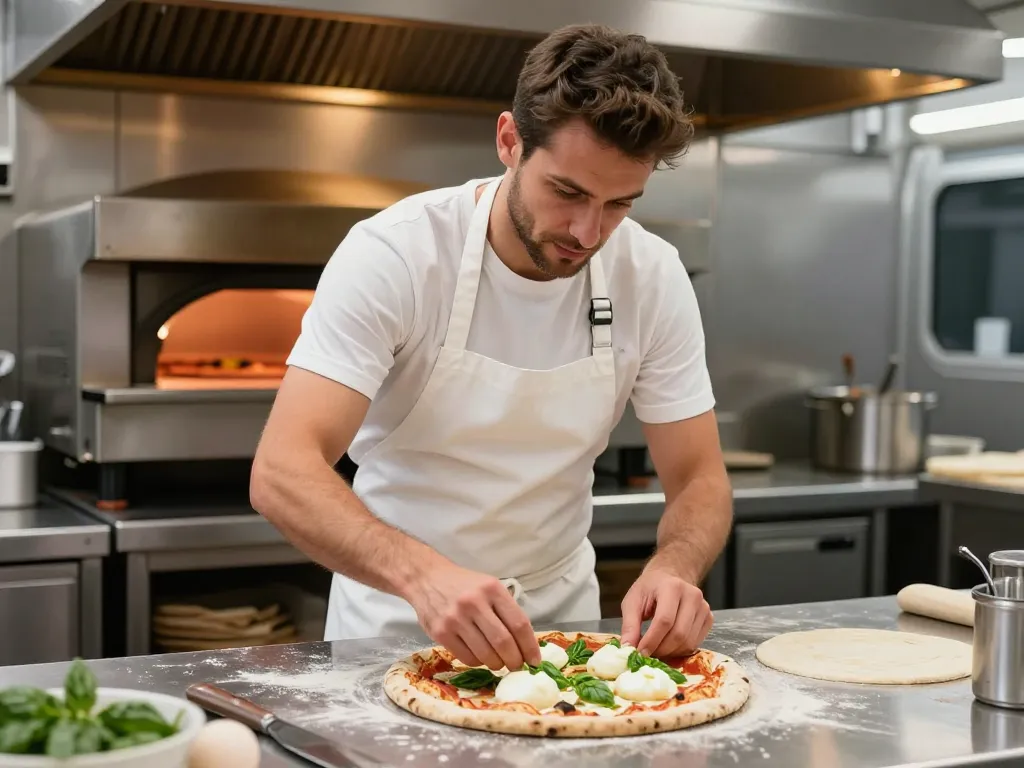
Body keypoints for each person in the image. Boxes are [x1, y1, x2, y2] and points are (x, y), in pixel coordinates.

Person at [250, 22, 733, 672]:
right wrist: (424, 577)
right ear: (509, 140)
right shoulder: (398, 254)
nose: (589, 232)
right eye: (567, 192)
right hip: (395, 628)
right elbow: (282, 470)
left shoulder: (651, 274)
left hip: (565, 641)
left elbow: (700, 476)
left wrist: (675, 567)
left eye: (620, 204)